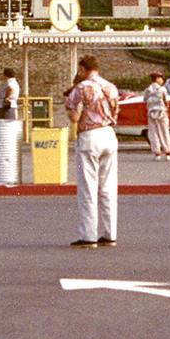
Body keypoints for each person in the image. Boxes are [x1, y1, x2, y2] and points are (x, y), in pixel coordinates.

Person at [65, 53, 120, 247]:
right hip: (109, 135)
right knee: (108, 188)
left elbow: (74, 117)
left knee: (88, 188)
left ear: (82, 69)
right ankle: (110, 234)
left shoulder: (81, 88)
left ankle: (88, 236)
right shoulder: (110, 87)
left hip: (90, 136)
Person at [143, 73, 170, 160]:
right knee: (164, 132)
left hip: (151, 113)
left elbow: (145, 100)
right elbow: (166, 101)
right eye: (161, 78)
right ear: (157, 79)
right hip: (161, 112)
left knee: (153, 133)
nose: (162, 80)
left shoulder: (147, 90)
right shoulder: (162, 89)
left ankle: (157, 154)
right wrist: (168, 109)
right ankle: (168, 153)